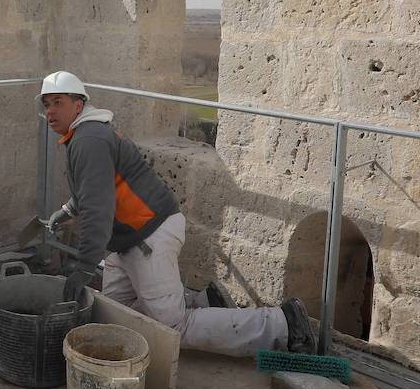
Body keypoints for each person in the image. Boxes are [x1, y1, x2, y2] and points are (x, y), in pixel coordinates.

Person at [41, 70, 316, 357]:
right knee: (117, 314)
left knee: (172, 325)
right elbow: (93, 187)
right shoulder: (85, 135)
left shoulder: (89, 140)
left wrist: (82, 269)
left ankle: (282, 324)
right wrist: (68, 210)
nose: (50, 111)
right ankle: (206, 302)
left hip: (148, 234)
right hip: (129, 237)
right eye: (46, 104)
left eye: (58, 102)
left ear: (79, 104)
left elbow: (98, 210)